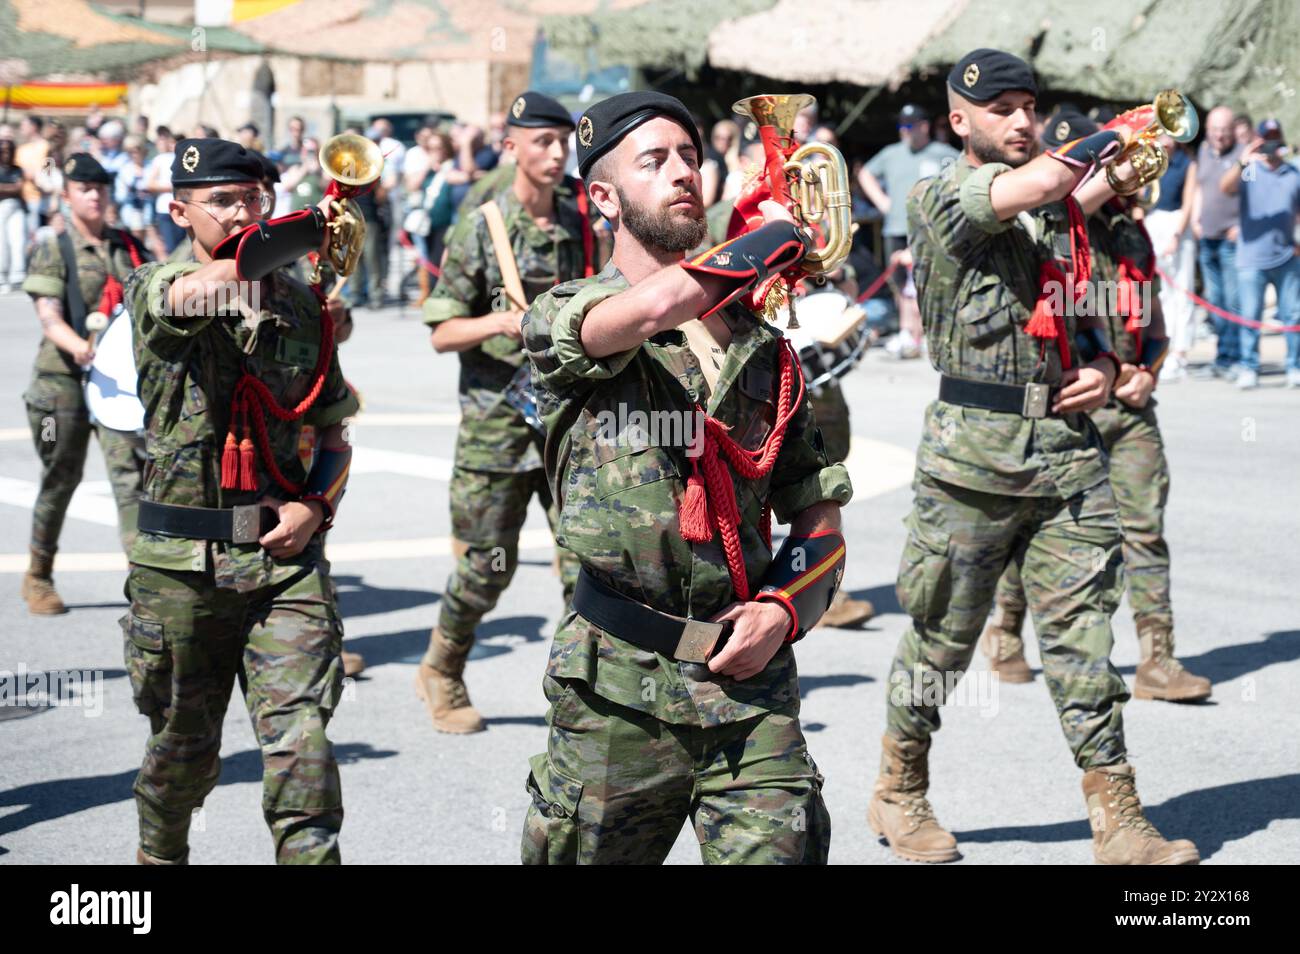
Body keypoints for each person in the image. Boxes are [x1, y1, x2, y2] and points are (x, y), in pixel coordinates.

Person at [869, 49, 1199, 866]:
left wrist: (1105, 367)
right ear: (960, 122)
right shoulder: (942, 193)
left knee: (1085, 641)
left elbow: (1084, 311)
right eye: (1002, 110)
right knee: (941, 644)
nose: (1021, 122)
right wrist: (1114, 137)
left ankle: (1117, 818)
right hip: (970, 465)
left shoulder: (1058, 212)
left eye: (1029, 107)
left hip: (1065, 457)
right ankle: (898, 789)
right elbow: (1049, 184)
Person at [520, 91, 853, 864]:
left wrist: (785, 611)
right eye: (654, 160)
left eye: (691, 158)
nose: (682, 174)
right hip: (615, 691)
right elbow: (655, 306)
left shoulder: (765, 350)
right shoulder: (566, 313)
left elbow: (818, 512)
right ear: (602, 196)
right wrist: (770, 237)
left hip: (750, 686)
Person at [121, 137, 358, 864]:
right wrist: (301, 234)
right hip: (180, 569)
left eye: (255, 198)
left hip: (283, 565)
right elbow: (206, 288)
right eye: (222, 200)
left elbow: (335, 433)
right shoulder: (156, 285)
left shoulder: (301, 302)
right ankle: (159, 858)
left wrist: (315, 508)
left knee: (302, 750)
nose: (241, 211)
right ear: (179, 209)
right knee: (183, 754)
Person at [981, 110, 1212, 703]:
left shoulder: (1132, 234)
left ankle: (1157, 659)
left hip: (1128, 403)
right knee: (1031, 527)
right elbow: (1073, 197)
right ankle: (1005, 631)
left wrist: (1147, 373)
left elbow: (1155, 324)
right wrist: (1117, 150)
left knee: (1144, 529)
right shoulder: (1045, 225)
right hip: (1066, 404)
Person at [415, 91, 600, 735]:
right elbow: (439, 330)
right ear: (511, 145)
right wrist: (499, 320)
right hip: (497, 428)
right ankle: (442, 666)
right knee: (487, 569)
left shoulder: (580, 220)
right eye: (542, 142)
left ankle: (585, 696)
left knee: (588, 564)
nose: (557, 154)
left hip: (568, 425)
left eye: (564, 142)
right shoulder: (483, 224)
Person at [19, 153, 150, 614]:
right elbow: (48, 316)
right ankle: (38, 574)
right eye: (84, 188)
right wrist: (79, 346)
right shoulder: (56, 246)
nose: (94, 195)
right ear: (68, 194)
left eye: (100, 188)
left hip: (115, 383)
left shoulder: (129, 246)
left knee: (131, 482)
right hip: (62, 385)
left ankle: (146, 584)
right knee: (60, 474)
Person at [858, 104, 960, 359]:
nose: (904, 131)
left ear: (923, 126)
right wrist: (882, 202)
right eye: (901, 126)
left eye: (909, 125)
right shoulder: (891, 153)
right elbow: (865, 174)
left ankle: (929, 332)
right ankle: (906, 332)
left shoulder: (943, 153)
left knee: (931, 280)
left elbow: (961, 180)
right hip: (896, 226)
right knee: (901, 284)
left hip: (931, 229)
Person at [1220, 119, 1300, 389]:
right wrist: (1244, 160)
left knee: (1293, 314)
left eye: (1275, 138)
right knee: (1250, 316)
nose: (1270, 143)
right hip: (1251, 257)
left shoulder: (1292, 173)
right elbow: (1226, 187)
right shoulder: (1251, 171)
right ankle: (1249, 367)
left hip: (1287, 255)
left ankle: (1294, 367)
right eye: (1266, 138)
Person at [1190, 106, 1243, 379]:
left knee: (1233, 303)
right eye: (1215, 130)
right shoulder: (1203, 152)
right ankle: (1223, 355)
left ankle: (1236, 357)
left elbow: (1256, 196)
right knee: (1215, 302)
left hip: (1231, 240)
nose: (1219, 135)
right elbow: (1199, 186)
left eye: (1224, 130)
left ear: (1233, 129)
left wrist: (1242, 225)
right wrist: (1196, 219)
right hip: (1207, 237)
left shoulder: (1243, 156)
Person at [1143, 135, 1197, 382]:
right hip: (1153, 221)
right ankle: (1161, 349)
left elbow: (1188, 202)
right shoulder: (1149, 159)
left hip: (1176, 223)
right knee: (1159, 292)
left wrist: (1177, 233)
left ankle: (1180, 351)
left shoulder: (1187, 162)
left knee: (1181, 290)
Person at [0, 136, 26, 292]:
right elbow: (14, 187)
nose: (6, 155)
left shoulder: (17, 169)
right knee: (1, 243)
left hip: (16, 207)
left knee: (18, 241)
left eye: (9, 151)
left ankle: (17, 275)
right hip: (1, 207)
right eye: (3, 151)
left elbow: (19, 188)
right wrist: (11, 188)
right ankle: (2, 276)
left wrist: (3, 188)